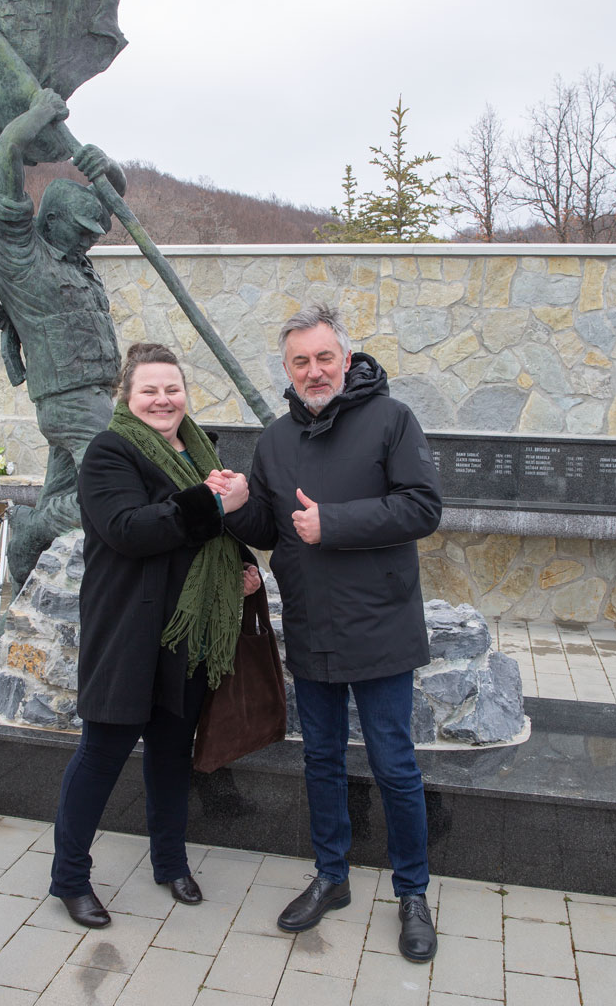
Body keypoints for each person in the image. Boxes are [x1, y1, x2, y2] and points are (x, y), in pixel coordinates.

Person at [211, 304, 442, 963]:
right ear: (287, 370)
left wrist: (333, 523)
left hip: (380, 626)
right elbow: (272, 530)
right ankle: (331, 877)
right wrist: (238, 508)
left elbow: (423, 506)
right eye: (300, 362)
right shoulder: (276, 441)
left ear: (345, 358)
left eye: (324, 358)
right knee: (320, 759)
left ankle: (412, 893)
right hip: (313, 626)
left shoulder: (392, 419)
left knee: (394, 763)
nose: (314, 371)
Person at [49, 341, 257, 927]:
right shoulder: (109, 452)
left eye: (172, 389)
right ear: (127, 395)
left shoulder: (199, 446)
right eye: (149, 390)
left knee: (171, 755)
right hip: (129, 631)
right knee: (101, 755)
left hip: (187, 633)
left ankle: (170, 862)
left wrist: (239, 565)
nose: (163, 400)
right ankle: (69, 878)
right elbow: (129, 529)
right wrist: (214, 502)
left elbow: (212, 537)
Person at [0, 87, 125, 592]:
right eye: (81, 231)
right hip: (69, 402)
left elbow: (113, 199)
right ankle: (39, 525)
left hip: (94, 397)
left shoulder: (75, 260)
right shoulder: (23, 256)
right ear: (50, 221)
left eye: (93, 234)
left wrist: (108, 170)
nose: (89, 240)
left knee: (66, 494)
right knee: (117, 487)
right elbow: (7, 156)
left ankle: (25, 576)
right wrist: (37, 115)